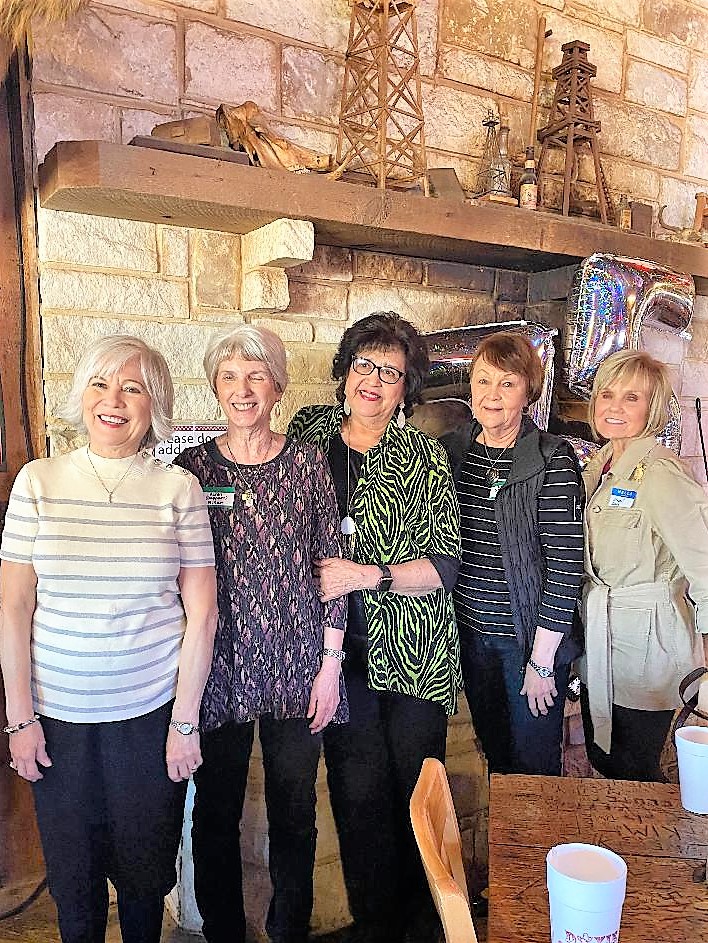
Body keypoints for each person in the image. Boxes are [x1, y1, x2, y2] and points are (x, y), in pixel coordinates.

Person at [0, 335, 217, 943]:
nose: (113, 400)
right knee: (74, 887)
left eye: (132, 388)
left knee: (146, 882)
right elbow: (13, 608)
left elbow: (202, 615)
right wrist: (19, 720)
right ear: (82, 395)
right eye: (100, 384)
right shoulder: (38, 481)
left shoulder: (178, 489)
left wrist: (184, 723)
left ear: (155, 404)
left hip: (149, 721)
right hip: (56, 723)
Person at [288, 311, 461, 943]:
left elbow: (445, 566)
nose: (374, 380)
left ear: (406, 388)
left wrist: (367, 575)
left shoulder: (424, 455)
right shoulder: (309, 436)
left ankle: (425, 926)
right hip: (335, 657)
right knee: (356, 797)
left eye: (391, 372)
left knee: (415, 798)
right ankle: (374, 927)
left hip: (416, 652)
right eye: (366, 364)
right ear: (345, 371)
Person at [174, 325, 347, 943]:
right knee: (215, 815)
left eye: (256, 376)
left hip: (297, 666)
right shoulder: (191, 471)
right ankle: (224, 931)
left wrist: (331, 664)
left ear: (277, 387)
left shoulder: (307, 463)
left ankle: (288, 930)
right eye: (229, 376)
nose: (242, 389)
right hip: (216, 667)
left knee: (295, 813)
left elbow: (331, 565)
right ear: (214, 387)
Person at [442, 332, 584, 776]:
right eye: (483, 381)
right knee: (498, 760)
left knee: (534, 771)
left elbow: (565, 567)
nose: (493, 394)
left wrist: (541, 662)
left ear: (528, 391)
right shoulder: (453, 450)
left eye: (507, 383)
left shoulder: (551, 458)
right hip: (472, 639)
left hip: (529, 644)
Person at [579, 350, 708, 782]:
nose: (614, 407)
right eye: (607, 394)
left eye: (631, 397)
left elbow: (705, 565)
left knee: (635, 771)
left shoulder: (661, 473)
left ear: (651, 408)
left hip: (649, 652)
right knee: (606, 761)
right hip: (601, 642)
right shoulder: (600, 466)